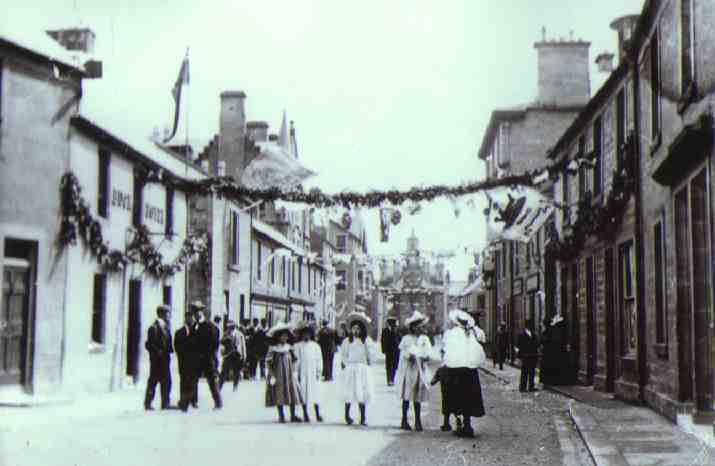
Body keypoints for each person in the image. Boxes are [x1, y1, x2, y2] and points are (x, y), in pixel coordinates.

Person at [442, 309, 487, 438]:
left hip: (456, 370)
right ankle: (467, 424)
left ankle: (460, 424)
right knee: (469, 398)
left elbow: (446, 351)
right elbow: (482, 338)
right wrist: (473, 328)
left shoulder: (452, 333)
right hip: (469, 371)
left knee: (457, 397)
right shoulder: (471, 333)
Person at [395, 311, 432, 431]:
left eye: (422, 326)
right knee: (407, 395)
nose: (420, 328)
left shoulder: (424, 339)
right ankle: (404, 419)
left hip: (419, 370)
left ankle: (417, 421)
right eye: (418, 326)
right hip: (409, 370)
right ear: (413, 327)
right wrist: (409, 356)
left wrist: (426, 357)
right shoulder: (406, 339)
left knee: (417, 396)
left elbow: (428, 353)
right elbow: (403, 354)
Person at [340, 311, 376, 426]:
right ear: (350, 329)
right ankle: (347, 415)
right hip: (351, 368)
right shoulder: (347, 341)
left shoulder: (366, 341)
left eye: (358, 329)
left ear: (362, 330)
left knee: (362, 392)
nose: (356, 331)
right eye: (354, 328)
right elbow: (344, 355)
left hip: (362, 369)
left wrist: (368, 363)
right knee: (349, 392)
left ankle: (363, 417)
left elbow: (370, 354)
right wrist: (346, 365)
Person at [265, 322, 304, 423]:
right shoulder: (273, 349)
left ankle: (292, 415)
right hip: (278, 374)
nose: (285, 338)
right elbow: (268, 362)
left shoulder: (289, 348)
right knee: (280, 393)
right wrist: (272, 375)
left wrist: (295, 371)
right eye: (283, 336)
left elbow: (295, 360)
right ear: (278, 337)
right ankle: (281, 415)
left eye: (286, 336)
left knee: (292, 392)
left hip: (289, 373)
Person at [194, 303, 223, 409]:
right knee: (194, 379)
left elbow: (215, 343)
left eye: (198, 312)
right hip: (197, 358)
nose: (196, 314)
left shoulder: (209, 326)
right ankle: (194, 401)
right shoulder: (194, 326)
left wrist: (208, 354)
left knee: (211, 380)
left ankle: (218, 402)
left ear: (202, 313)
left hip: (208, 358)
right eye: (195, 313)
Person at [144, 305, 173, 410]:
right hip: (157, 360)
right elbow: (149, 344)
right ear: (162, 314)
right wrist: (157, 352)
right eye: (168, 313)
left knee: (166, 382)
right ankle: (148, 403)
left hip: (165, 359)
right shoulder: (154, 327)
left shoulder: (165, 326)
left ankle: (165, 403)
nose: (169, 316)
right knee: (153, 381)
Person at [294, 323, 324, 422]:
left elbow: (319, 359)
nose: (306, 336)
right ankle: (305, 413)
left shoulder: (316, 346)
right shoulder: (298, 346)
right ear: (301, 335)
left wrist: (319, 371)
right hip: (303, 373)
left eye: (308, 334)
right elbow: (296, 360)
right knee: (303, 393)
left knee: (315, 393)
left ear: (311, 335)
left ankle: (317, 413)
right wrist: (296, 373)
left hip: (313, 372)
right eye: (304, 334)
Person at [175, 309, 199, 412]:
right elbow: (177, 346)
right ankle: (183, 401)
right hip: (184, 361)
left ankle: (193, 400)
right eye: (189, 318)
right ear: (186, 319)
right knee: (184, 381)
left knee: (194, 381)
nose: (191, 320)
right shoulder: (180, 332)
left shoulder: (197, 331)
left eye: (192, 318)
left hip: (194, 361)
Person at [540, 314, 570, 385]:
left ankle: (549, 380)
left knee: (550, 367)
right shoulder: (551, 330)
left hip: (550, 352)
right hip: (551, 352)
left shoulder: (549, 331)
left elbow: (545, 340)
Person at [219, 321, 247, 391]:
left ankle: (235, 386)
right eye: (229, 327)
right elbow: (221, 342)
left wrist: (244, 356)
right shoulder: (226, 333)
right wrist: (226, 339)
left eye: (231, 326)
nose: (230, 328)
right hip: (228, 354)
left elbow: (243, 345)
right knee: (224, 371)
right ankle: (219, 386)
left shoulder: (240, 334)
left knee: (236, 371)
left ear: (234, 326)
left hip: (237, 354)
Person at [516, 319, 540, 392]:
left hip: (533, 355)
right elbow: (518, 345)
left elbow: (536, 344)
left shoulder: (534, 335)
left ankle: (531, 386)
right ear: (527, 326)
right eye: (530, 325)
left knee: (532, 371)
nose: (531, 326)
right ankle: (523, 387)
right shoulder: (521, 335)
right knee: (524, 372)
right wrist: (520, 356)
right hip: (525, 356)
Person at [380, 317, 400, 386]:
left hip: (396, 351)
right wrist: (383, 350)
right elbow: (382, 341)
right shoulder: (385, 330)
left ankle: (392, 379)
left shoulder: (397, 331)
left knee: (395, 366)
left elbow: (399, 340)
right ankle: (389, 380)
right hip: (388, 351)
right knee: (388, 366)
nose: (395, 325)